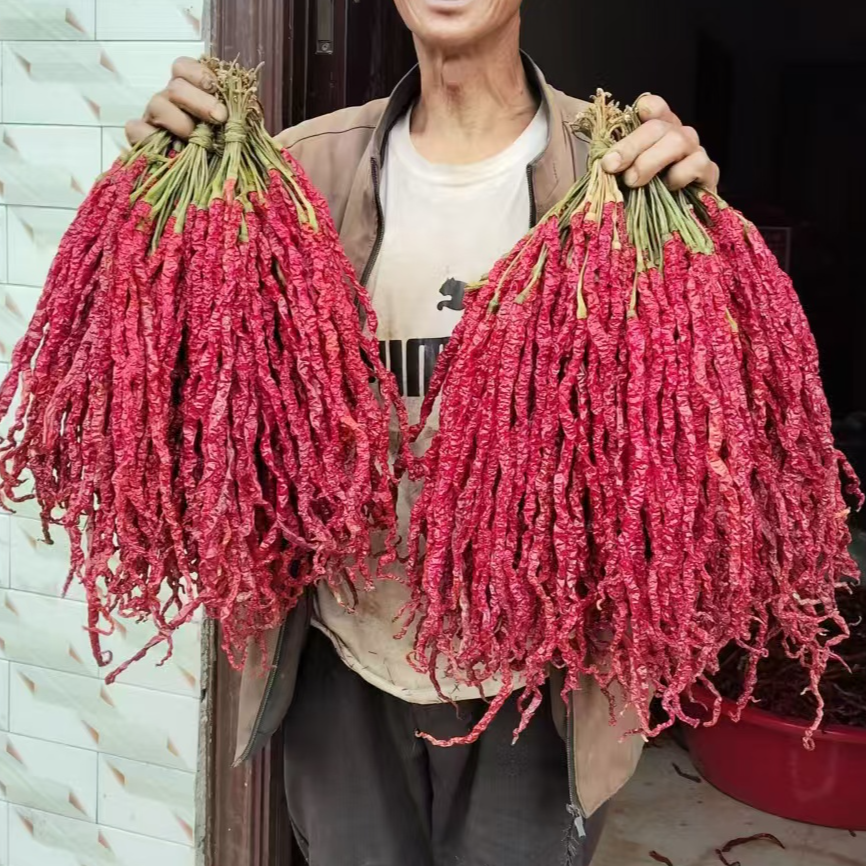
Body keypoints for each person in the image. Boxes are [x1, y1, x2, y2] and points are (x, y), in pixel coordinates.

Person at [128, 2, 719, 864]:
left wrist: (700, 226)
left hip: (535, 673)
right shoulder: (296, 171)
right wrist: (158, 192)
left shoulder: (617, 174)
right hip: (344, 650)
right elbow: (183, 386)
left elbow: (691, 442)